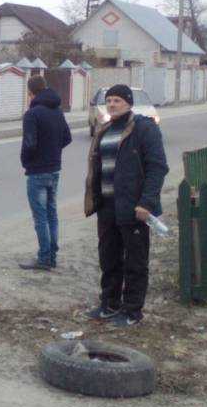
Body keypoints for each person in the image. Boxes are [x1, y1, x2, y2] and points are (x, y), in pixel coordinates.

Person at [84, 84, 169, 327]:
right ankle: (109, 304)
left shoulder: (144, 128)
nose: (112, 104)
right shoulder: (105, 129)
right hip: (107, 206)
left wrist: (147, 203)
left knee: (135, 262)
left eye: (117, 100)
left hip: (134, 208)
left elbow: (157, 167)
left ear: (129, 103)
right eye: (109, 100)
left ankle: (132, 311)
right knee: (109, 258)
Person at [18, 75, 72, 271]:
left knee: (40, 217)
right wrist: (53, 151)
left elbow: (29, 144)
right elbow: (67, 137)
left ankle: (44, 258)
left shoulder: (32, 114)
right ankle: (52, 256)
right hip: (54, 169)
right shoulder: (57, 110)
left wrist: (26, 161)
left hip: (37, 171)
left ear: (30, 93)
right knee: (51, 214)